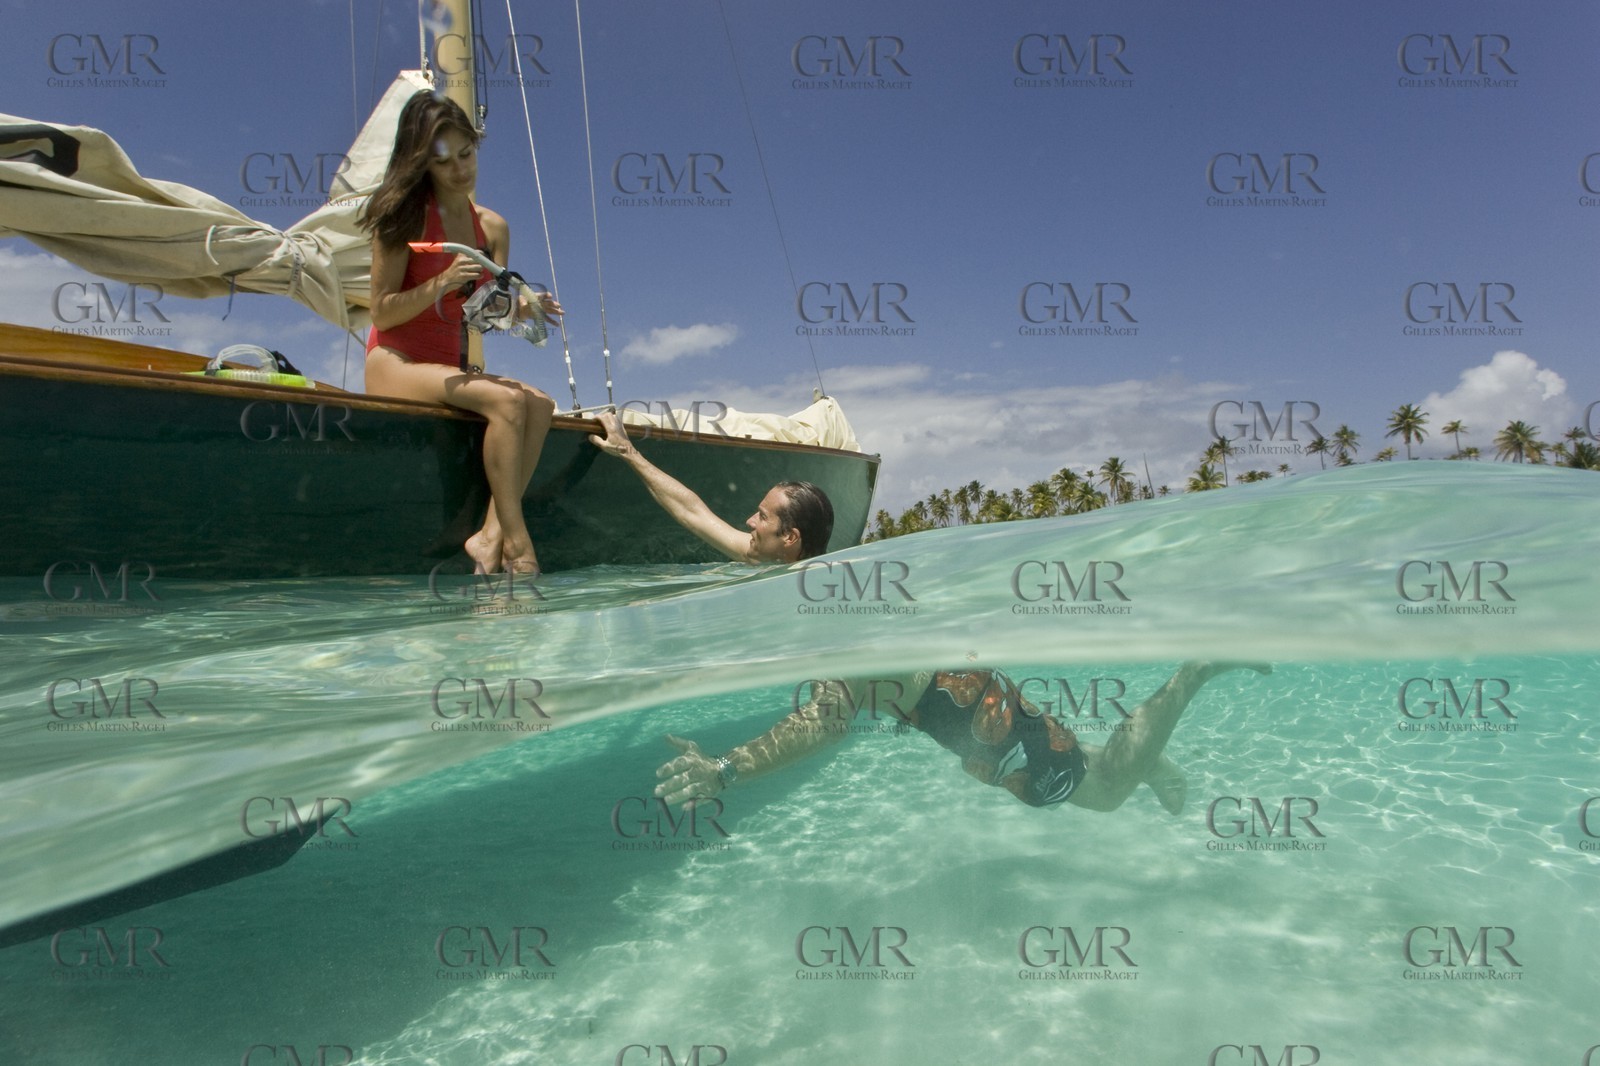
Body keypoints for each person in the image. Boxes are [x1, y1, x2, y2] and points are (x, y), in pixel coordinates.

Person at [362, 89, 564, 575]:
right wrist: (439, 282)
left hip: (450, 367)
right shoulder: (402, 218)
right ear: (422, 164)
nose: (460, 169)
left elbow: (479, 315)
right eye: (443, 160)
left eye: (467, 154)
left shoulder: (492, 228)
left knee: (540, 403)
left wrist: (516, 312)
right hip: (396, 363)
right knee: (509, 401)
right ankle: (518, 545)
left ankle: (489, 535)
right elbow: (382, 313)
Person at [652, 662, 1270, 815]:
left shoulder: (832, 627)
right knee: (1082, 759)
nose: (745, 524)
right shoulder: (837, 588)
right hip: (969, 700)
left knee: (1104, 788)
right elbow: (717, 528)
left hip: (968, 715)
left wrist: (726, 769)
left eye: (759, 517)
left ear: (792, 539)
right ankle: (1157, 766)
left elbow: (824, 721)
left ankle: (1194, 673)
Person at [588, 411, 834, 564]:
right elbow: (692, 511)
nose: (750, 521)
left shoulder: (817, 582)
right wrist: (628, 452)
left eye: (762, 516)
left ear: (790, 537)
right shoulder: (757, 555)